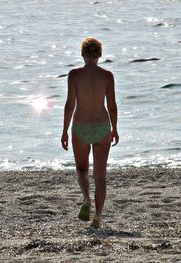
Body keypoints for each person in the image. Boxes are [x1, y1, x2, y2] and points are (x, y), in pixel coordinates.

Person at [61, 37, 119, 228]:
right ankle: (98, 217)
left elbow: (70, 105)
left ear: (82, 54)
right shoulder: (107, 76)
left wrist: (64, 131)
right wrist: (115, 129)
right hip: (102, 127)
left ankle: (86, 199)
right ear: (100, 54)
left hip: (81, 127)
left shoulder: (74, 75)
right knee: (100, 177)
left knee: (82, 170)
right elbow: (112, 106)